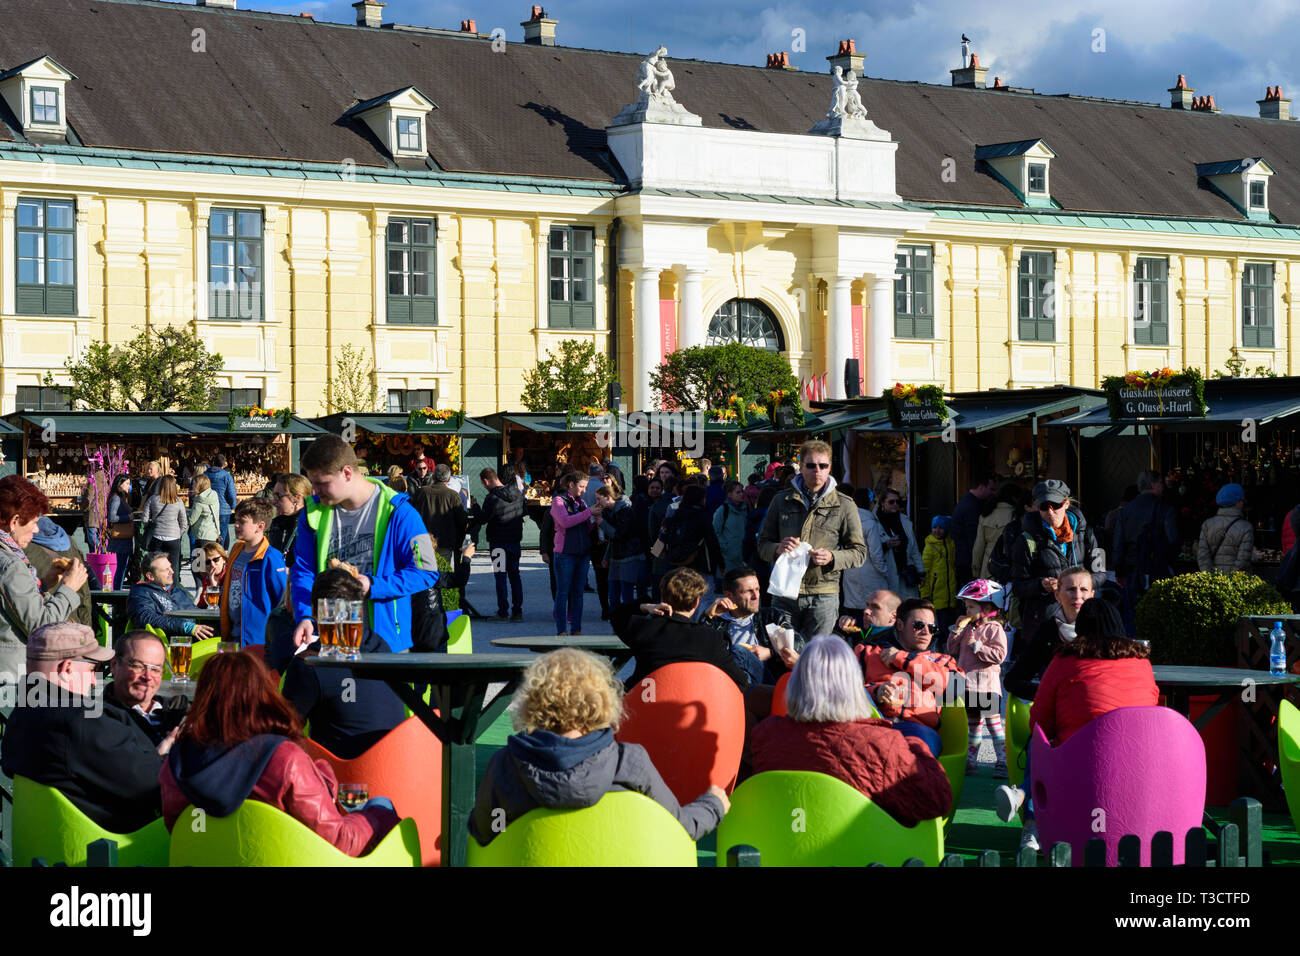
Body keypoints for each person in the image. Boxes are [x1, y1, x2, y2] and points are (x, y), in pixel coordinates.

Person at [469, 647, 729, 846]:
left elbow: (486, 834)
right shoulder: (629, 762)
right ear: (603, 700)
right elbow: (678, 828)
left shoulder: (506, 763)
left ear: (534, 701)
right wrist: (712, 804)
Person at [159, 651, 400, 857]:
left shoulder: (176, 763)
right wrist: (376, 816)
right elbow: (340, 840)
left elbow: (178, 832)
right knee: (381, 804)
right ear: (262, 694)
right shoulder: (284, 759)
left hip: (204, 861)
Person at [996, 598, 1159, 851]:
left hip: (1081, 761)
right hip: (1138, 760)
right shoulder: (1142, 663)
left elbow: (1039, 719)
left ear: (1081, 627)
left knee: (1038, 745)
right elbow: (1152, 704)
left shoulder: (1065, 661)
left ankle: (1031, 823)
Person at [751, 636, 952, 826]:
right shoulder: (884, 741)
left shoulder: (766, 734)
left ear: (796, 683)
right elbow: (937, 801)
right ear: (853, 686)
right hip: (864, 852)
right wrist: (915, 744)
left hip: (785, 847)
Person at [1, 622, 172, 834]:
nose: (94, 681)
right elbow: (155, 786)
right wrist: (168, 753)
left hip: (45, 844)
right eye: (93, 669)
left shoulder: (21, 714)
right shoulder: (80, 721)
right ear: (67, 668)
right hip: (115, 849)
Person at [289, 436, 438, 654]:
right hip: (332, 639)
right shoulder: (311, 513)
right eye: (313, 483)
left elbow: (427, 572)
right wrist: (305, 616)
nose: (315, 491)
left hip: (385, 643)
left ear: (347, 473)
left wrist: (372, 586)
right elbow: (303, 571)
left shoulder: (401, 512)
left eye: (322, 483)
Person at [281, 569, 405, 759]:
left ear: (314, 610)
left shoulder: (311, 664)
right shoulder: (383, 648)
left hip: (341, 780)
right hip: (396, 774)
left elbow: (281, 732)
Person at [756, 440, 866, 638]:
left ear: (830, 468)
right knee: (783, 654)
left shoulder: (844, 504)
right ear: (801, 467)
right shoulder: (781, 500)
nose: (817, 470)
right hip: (784, 591)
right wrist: (777, 548)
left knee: (816, 656)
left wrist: (832, 557)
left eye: (823, 466)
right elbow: (762, 544)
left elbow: (859, 553)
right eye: (811, 465)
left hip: (823, 594)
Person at [0, 476, 86, 682]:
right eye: (35, 522)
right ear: (14, 522)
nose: (37, 530)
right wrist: (68, 588)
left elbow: (12, 606)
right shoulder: (10, 564)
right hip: (11, 677)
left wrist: (44, 583)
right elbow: (41, 627)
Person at [854, 597, 963, 758]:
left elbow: (956, 688)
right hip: (870, 725)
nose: (926, 632)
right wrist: (874, 692)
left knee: (913, 754)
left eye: (932, 628)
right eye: (919, 625)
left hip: (916, 728)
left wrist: (904, 659)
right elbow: (841, 691)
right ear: (899, 625)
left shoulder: (942, 660)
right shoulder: (866, 652)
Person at [612, 567, 752, 692]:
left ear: (663, 597)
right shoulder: (711, 638)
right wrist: (707, 618)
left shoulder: (644, 629)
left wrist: (645, 606)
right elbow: (740, 681)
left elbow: (617, 615)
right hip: (689, 710)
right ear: (697, 602)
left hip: (647, 706)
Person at [1009, 479, 1105, 641]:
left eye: (1055, 505)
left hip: (1082, 617)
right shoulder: (1025, 540)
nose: (1050, 512)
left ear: (1066, 504)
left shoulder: (1087, 533)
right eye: (1044, 507)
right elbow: (1018, 586)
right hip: (1044, 621)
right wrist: (1040, 584)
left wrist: (1079, 585)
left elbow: (1101, 573)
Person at [946, 579, 1009, 776]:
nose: (967, 611)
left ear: (987, 607)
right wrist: (956, 632)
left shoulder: (994, 629)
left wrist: (978, 646)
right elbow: (951, 650)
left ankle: (1003, 761)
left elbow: (999, 655)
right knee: (973, 724)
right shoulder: (966, 627)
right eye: (966, 606)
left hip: (986, 686)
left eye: (971, 606)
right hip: (967, 685)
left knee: (993, 723)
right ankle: (970, 761)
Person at [1005, 565, 1094, 700]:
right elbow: (1013, 680)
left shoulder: (1101, 627)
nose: (1077, 596)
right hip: (1062, 711)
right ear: (1057, 595)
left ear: (1092, 595)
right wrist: (1052, 693)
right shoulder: (1048, 630)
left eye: (1083, 590)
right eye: (1071, 589)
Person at [703, 566, 799, 688]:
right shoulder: (717, 623)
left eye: (757, 589)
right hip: (729, 684)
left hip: (767, 682)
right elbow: (696, 650)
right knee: (737, 655)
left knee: (739, 651)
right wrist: (707, 617)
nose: (756, 596)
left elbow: (798, 643)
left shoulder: (771, 616)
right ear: (729, 596)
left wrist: (770, 652)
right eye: (748, 591)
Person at [1113, 469, 1178, 635]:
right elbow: (1173, 541)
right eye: (1161, 483)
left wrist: (1119, 571)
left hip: (1132, 570)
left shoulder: (1125, 510)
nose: (1163, 486)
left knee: (1132, 617)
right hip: (1158, 568)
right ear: (1153, 484)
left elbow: (1118, 544)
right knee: (1160, 617)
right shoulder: (1165, 508)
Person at [219, 498, 288, 650]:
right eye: (235, 520)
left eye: (242, 522)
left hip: (258, 640)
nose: (236, 525)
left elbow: (281, 600)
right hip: (233, 635)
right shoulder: (236, 550)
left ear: (260, 526)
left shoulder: (270, 557)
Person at [104, 630, 187, 747]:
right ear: (114, 665)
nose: (148, 677)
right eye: (138, 666)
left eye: (155, 669)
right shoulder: (98, 718)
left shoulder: (179, 711)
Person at [127, 551, 216, 641]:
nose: (172, 572)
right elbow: (146, 618)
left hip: (197, 639)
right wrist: (184, 626)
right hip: (171, 644)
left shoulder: (177, 592)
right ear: (150, 576)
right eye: (166, 570)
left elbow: (196, 614)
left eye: (170, 567)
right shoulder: (140, 593)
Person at [25, 515, 92, 628]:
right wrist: (85, 627)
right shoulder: (68, 540)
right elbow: (83, 593)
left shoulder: (19, 548)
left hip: (42, 626)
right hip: (71, 621)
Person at [551, 471, 595, 636]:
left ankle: (576, 629)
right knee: (563, 592)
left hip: (582, 553)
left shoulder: (581, 502)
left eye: (585, 487)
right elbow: (565, 521)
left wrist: (594, 519)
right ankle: (561, 629)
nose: (584, 490)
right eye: (582, 486)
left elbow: (586, 525)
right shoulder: (558, 501)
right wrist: (589, 513)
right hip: (565, 553)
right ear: (571, 485)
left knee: (578, 593)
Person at [840, 487, 890, 626]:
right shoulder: (870, 523)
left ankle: (857, 644)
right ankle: (869, 645)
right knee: (872, 613)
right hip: (871, 574)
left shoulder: (846, 521)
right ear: (869, 503)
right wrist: (886, 572)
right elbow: (876, 554)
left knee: (854, 616)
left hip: (850, 571)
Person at [480, 467, 525, 622]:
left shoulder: (491, 498)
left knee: (500, 577)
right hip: (514, 541)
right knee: (515, 576)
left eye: (484, 484)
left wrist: (474, 507)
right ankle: (517, 611)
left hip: (498, 543)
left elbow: (483, 518)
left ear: (486, 481)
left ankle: (503, 612)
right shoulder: (518, 494)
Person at [412, 463, 469, 577]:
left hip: (424, 540)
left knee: (424, 575)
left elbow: (412, 515)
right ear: (448, 479)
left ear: (433, 477)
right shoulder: (453, 495)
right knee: (442, 576)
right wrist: (459, 540)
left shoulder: (421, 492)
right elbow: (462, 521)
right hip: (445, 542)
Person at [596, 479, 643, 609]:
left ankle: (627, 623)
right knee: (613, 594)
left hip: (628, 556)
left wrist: (602, 523)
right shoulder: (609, 511)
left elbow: (618, 535)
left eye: (599, 499)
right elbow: (612, 539)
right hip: (616, 557)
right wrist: (606, 557)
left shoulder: (625, 510)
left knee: (626, 594)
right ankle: (616, 622)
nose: (597, 502)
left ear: (608, 497)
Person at [874, 488, 925, 599]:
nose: (895, 504)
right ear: (882, 503)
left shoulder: (905, 521)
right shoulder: (874, 522)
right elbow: (871, 551)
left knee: (909, 607)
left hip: (907, 572)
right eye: (891, 502)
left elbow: (914, 549)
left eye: (898, 502)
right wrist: (886, 545)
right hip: (886, 572)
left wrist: (921, 572)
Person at [951, 473, 998, 585]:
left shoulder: (965, 503)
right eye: (991, 489)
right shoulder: (972, 506)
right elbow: (974, 538)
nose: (993, 493)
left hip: (963, 560)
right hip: (968, 563)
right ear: (981, 487)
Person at [1196, 482, 1253, 573]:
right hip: (1237, 583)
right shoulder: (1246, 527)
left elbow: (1203, 557)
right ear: (1237, 502)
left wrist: (1210, 579)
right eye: (1242, 500)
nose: (1243, 504)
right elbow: (1243, 560)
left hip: (1213, 582)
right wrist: (1231, 581)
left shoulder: (1207, 524)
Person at [973, 481, 1024, 580]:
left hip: (988, 567)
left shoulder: (986, 514)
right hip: (1009, 568)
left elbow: (978, 547)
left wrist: (975, 571)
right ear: (1015, 498)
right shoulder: (1017, 515)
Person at [142, 475, 188, 580]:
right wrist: (178, 534)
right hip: (173, 538)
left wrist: (150, 525)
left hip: (157, 537)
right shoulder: (178, 501)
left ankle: (157, 591)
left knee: (156, 569)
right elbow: (184, 522)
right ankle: (172, 593)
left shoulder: (152, 499)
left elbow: (144, 519)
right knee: (173, 570)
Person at [921, 515, 958, 633]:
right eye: (935, 527)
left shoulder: (950, 544)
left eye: (941, 528)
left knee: (949, 622)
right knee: (939, 624)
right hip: (935, 591)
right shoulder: (930, 547)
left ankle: (947, 644)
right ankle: (940, 644)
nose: (937, 530)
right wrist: (924, 593)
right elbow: (924, 571)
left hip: (950, 591)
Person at [105, 474, 136, 590]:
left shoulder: (121, 497)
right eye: (127, 483)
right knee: (121, 566)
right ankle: (117, 591)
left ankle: (118, 589)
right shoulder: (116, 498)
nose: (129, 486)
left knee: (122, 566)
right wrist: (128, 517)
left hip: (123, 539)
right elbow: (112, 517)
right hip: (120, 539)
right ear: (119, 484)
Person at [712, 480, 749, 575]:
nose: (741, 494)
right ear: (729, 494)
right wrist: (725, 546)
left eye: (742, 491)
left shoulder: (746, 509)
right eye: (738, 492)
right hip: (728, 558)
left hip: (744, 555)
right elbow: (716, 532)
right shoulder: (723, 511)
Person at [268, 473, 310, 557]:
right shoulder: (277, 524)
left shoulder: (310, 527)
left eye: (278, 496)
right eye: (273, 496)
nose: (274, 501)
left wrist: (289, 570)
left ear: (297, 498)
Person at [205, 454, 238, 548]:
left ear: (213, 463)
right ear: (224, 464)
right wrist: (232, 506)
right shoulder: (226, 476)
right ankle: (220, 557)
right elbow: (231, 493)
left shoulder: (205, 474)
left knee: (209, 535)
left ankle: (212, 556)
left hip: (209, 508)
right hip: (223, 509)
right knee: (222, 535)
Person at [187, 474, 222, 552]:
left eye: (194, 483)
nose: (192, 485)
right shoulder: (214, 495)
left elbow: (191, 520)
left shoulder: (198, 502)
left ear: (199, 485)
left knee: (199, 563)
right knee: (209, 561)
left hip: (201, 535)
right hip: (214, 534)